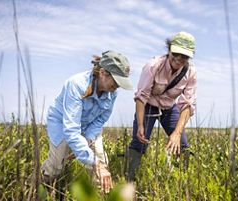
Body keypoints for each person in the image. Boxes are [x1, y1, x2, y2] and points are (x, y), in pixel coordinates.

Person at [41, 50, 133, 193]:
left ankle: (100, 194)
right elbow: (71, 130)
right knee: (56, 163)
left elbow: (101, 119)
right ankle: (39, 189)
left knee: (101, 161)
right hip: (62, 122)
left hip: (89, 126)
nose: (117, 86)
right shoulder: (76, 84)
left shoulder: (112, 91)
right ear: (103, 72)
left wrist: (88, 140)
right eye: (116, 81)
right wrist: (90, 157)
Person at [126, 32, 197, 181]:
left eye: (184, 56)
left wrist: (176, 133)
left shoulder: (191, 73)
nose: (178, 58)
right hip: (148, 106)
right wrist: (140, 125)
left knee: (182, 146)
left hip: (169, 108)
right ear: (169, 49)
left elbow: (187, 104)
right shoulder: (153, 65)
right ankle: (129, 181)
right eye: (176, 53)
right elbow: (141, 96)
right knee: (139, 142)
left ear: (189, 57)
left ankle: (182, 182)